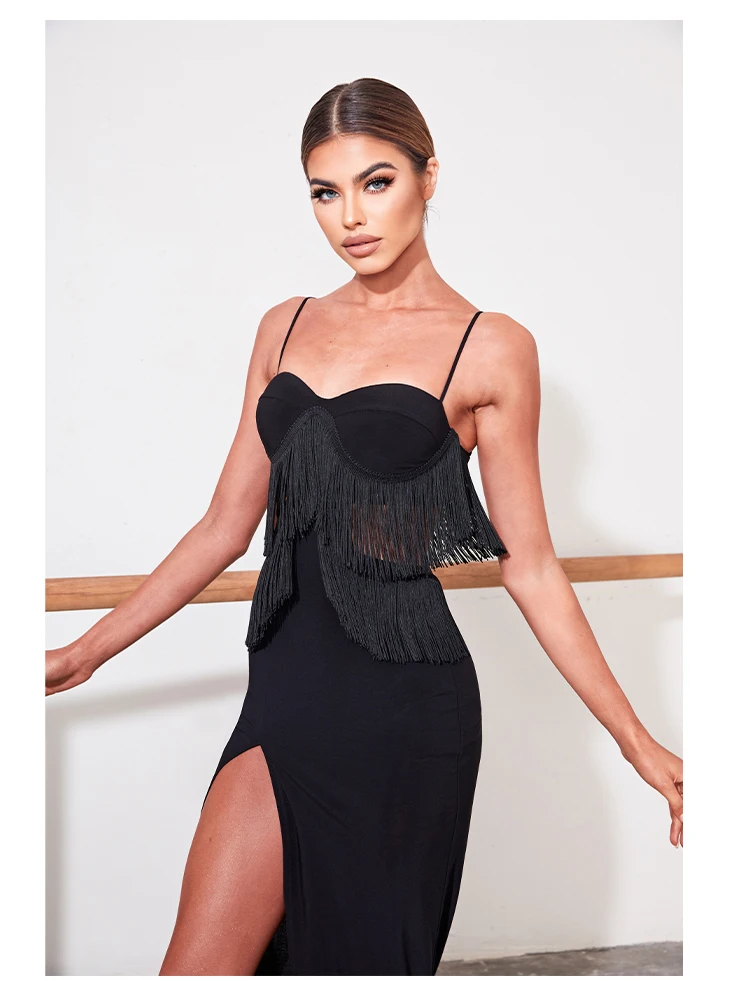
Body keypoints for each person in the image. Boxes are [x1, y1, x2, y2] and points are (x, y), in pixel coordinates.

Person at [46, 77, 683, 976]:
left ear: (429, 178)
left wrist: (636, 740)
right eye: (325, 191)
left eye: (376, 182)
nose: (350, 215)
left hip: (406, 715)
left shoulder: (491, 346)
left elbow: (532, 567)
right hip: (283, 693)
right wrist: (85, 652)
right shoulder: (284, 327)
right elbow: (224, 525)